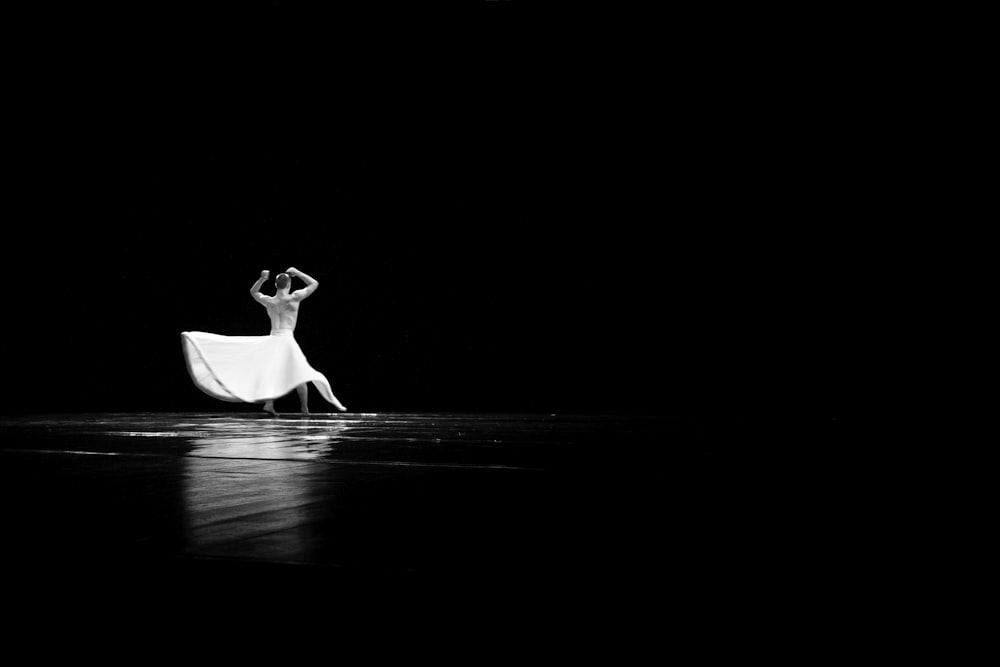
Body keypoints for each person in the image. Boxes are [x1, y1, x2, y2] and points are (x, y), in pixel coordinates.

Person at [181, 267, 347, 415]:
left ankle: (269, 404)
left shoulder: (269, 301)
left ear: (276, 286)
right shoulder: (294, 298)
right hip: (286, 340)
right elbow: (314, 284)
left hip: (274, 339)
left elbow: (253, 292)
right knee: (301, 374)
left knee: (273, 373)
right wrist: (297, 273)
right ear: (289, 285)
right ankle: (304, 409)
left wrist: (262, 279)